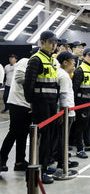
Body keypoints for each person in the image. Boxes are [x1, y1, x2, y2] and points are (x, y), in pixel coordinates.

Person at [24, 30, 60, 184]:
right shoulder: (36, 59)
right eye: (50, 42)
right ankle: (40, 169)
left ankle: (45, 164)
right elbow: (28, 84)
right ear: (42, 42)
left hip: (51, 103)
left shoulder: (50, 59)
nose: (53, 45)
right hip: (41, 103)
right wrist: (31, 102)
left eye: (55, 43)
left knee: (49, 136)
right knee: (42, 137)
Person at [0, 52, 32, 172]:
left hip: (27, 104)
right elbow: (19, 79)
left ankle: (20, 161)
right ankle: (2, 159)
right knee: (14, 132)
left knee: (23, 134)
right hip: (17, 102)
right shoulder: (25, 61)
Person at [72, 47, 90, 159]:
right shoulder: (80, 70)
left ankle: (87, 143)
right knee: (81, 126)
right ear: (84, 57)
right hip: (82, 104)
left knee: (89, 124)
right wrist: (76, 105)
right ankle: (79, 149)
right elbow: (75, 88)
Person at [55, 51, 79, 170]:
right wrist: (63, 113)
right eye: (72, 63)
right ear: (65, 63)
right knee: (63, 138)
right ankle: (62, 162)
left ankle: (63, 160)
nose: (74, 66)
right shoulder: (63, 76)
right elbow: (63, 96)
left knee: (64, 138)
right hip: (65, 112)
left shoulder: (64, 74)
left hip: (69, 110)